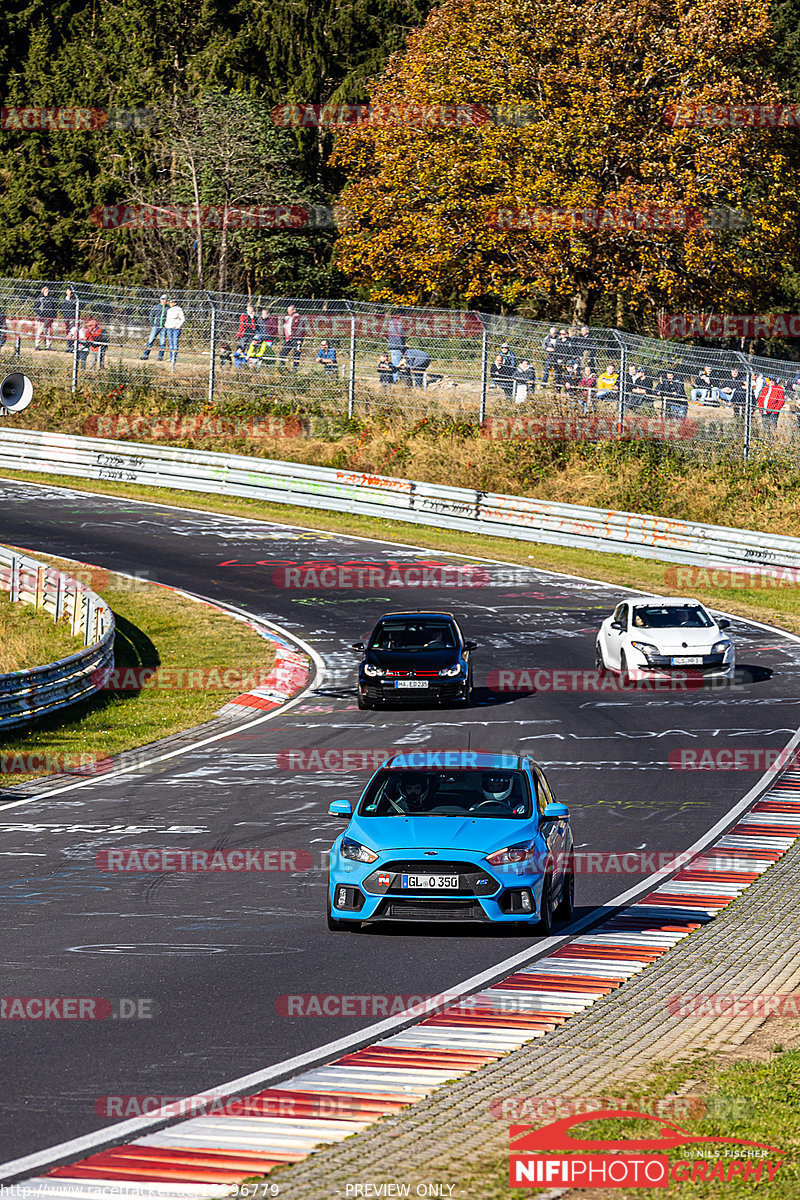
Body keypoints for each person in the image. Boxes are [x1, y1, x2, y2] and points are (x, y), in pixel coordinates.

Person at [141, 294, 169, 360]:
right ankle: (145, 355)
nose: (163, 301)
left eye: (165, 299)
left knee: (162, 342)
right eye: (162, 299)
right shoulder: (156, 307)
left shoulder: (168, 308)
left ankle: (160, 357)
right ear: (160, 300)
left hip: (164, 327)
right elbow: (151, 315)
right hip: (156, 326)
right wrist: (153, 324)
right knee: (150, 341)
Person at [279, 303, 305, 371]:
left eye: (289, 310)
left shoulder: (298, 318)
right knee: (282, 353)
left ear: (294, 310)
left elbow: (302, 329)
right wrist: (285, 337)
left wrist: (300, 339)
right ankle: (282, 368)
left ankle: (295, 370)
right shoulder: (287, 318)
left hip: (296, 339)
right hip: (288, 338)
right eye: (287, 310)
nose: (288, 311)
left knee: (296, 354)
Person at [34, 285, 57, 349]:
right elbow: (35, 307)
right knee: (40, 331)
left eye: (48, 291)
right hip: (42, 317)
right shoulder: (40, 298)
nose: (47, 292)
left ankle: (48, 345)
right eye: (46, 291)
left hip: (49, 317)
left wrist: (54, 315)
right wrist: (40, 313)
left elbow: (54, 307)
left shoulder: (50, 299)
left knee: (48, 331)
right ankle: (37, 345)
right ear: (43, 291)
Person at [165, 298, 185, 365]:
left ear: (175, 303)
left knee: (175, 343)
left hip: (175, 328)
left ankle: (174, 358)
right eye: (170, 302)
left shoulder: (179, 309)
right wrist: (166, 325)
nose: (170, 303)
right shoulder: (169, 310)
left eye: (171, 302)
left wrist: (178, 326)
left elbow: (182, 319)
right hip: (169, 328)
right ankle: (171, 357)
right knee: (170, 343)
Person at [387, 313, 407, 381]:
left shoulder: (391, 325)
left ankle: (393, 379)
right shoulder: (398, 326)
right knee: (396, 365)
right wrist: (402, 348)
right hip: (397, 348)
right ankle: (394, 380)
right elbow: (399, 339)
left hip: (392, 347)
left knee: (394, 363)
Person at [62, 286, 80, 353]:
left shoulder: (74, 300)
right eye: (67, 291)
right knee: (68, 332)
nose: (68, 292)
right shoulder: (65, 299)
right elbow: (63, 308)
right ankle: (69, 347)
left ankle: (73, 347)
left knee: (73, 332)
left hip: (72, 318)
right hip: (66, 318)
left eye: (69, 291)